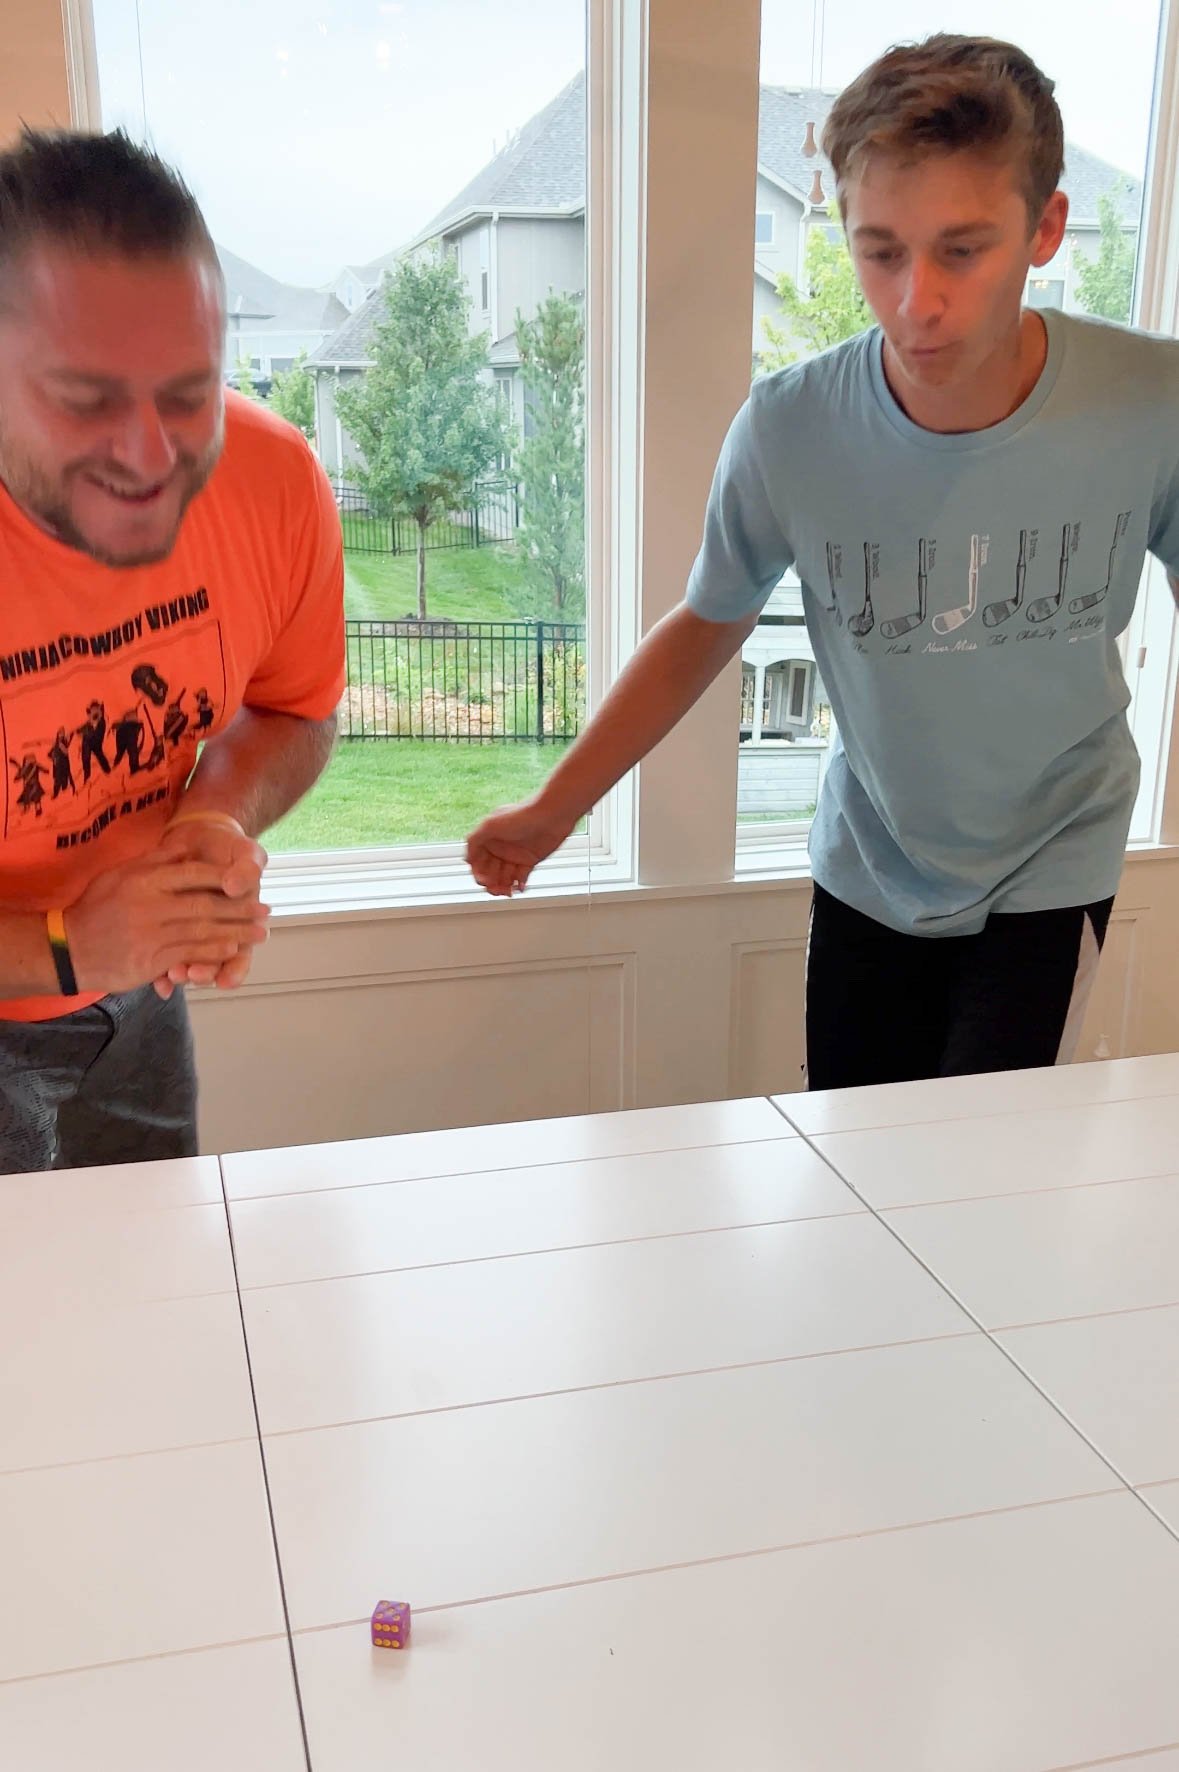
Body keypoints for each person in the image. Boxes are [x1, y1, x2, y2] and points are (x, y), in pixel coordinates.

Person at [467, 33, 1179, 1092]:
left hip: (1053, 857)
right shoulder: (791, 428)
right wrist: (556, 806)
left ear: (1046, 229)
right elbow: (706, 623)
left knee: (979, 1157)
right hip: (872, 863)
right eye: (881, 250)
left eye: (963, 248)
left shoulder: (1148, 403)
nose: (915, 299)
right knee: (859, 1155)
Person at [0, 127, 344, 1169]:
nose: (149, 456)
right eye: (85, 398)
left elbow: (295, 707)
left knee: (162, 1299)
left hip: (139, 1003)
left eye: (187, 394)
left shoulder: (275, 480)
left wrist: (209, 818)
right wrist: (64, 946)